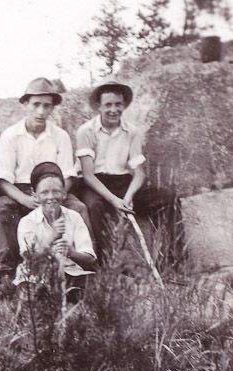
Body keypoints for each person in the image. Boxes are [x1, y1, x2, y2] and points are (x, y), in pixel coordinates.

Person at [0, 77, 93, 286]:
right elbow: (3, 179)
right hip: (19, 190)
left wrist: (56, 196)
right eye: (36, 105)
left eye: (47, 106)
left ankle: (89, 266)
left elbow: (68, 175)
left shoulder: (60, 135)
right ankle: (4, 277)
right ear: (26, 105)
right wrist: (26, 200)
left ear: (52, 108)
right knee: (1, 211)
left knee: (79, 207)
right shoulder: (11, 135)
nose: (41, 111)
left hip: (54, 189)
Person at [76, 77, 182, 265]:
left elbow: (139, 173)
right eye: (108, 105)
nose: (113, 110)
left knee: (169, 199)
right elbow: (88, 175)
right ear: (99, 107)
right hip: (94, 184)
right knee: (94, 207)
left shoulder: (133, 131)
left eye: (118, 104)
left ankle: (173, 261)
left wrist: (129, 196)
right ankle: (106, 265)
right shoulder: (86, 131)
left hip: (124, 183)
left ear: (124, 105)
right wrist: (114, 200)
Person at [14, 162, 96, 291]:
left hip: (70, 273)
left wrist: (71, 253)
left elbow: (90, 259)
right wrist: (52, 237)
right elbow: (30, 258)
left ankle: (69, 292)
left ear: (64, 193)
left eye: (56, 192)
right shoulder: (27, 222)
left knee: (96, 284)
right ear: (35, 195)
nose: (51, 197)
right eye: (44, 192)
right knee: (33, 289)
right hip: (36, 276)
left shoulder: (74, 217)